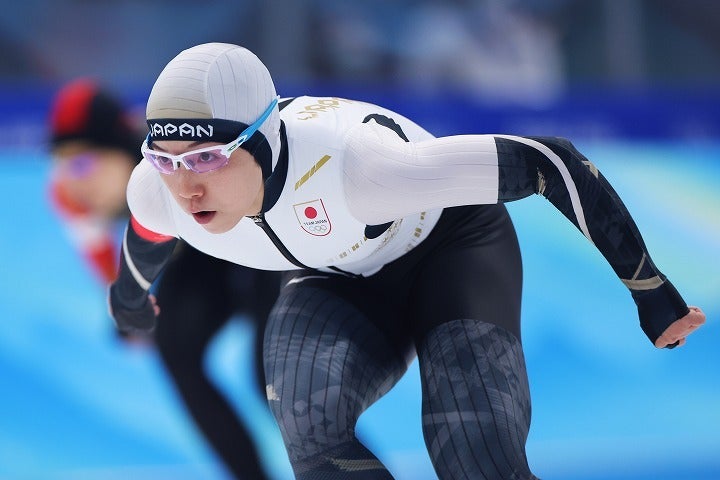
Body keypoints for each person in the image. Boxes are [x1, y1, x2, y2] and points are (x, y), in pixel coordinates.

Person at [108, 43, 706, 480]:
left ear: (262, 142)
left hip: (451, 252)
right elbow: (143, 245)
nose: (185, 188)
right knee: (308, 423)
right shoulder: (158, 189)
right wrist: (131, 303)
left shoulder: (358, 168)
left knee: (473, 451)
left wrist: (649, 288)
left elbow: (552, 162)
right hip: (336, 273)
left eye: (208, 157)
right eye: (166, 158)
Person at [48, 78, 278, 480]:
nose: (74, 179)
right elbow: (110, 268)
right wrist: (130, 301)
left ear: (123, 150)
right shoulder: (69, 195)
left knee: (271, 380)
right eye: (63, 164)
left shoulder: (166, 164)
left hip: (258, 235)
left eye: (84, 161)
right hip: (196, 254)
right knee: (175, 350)